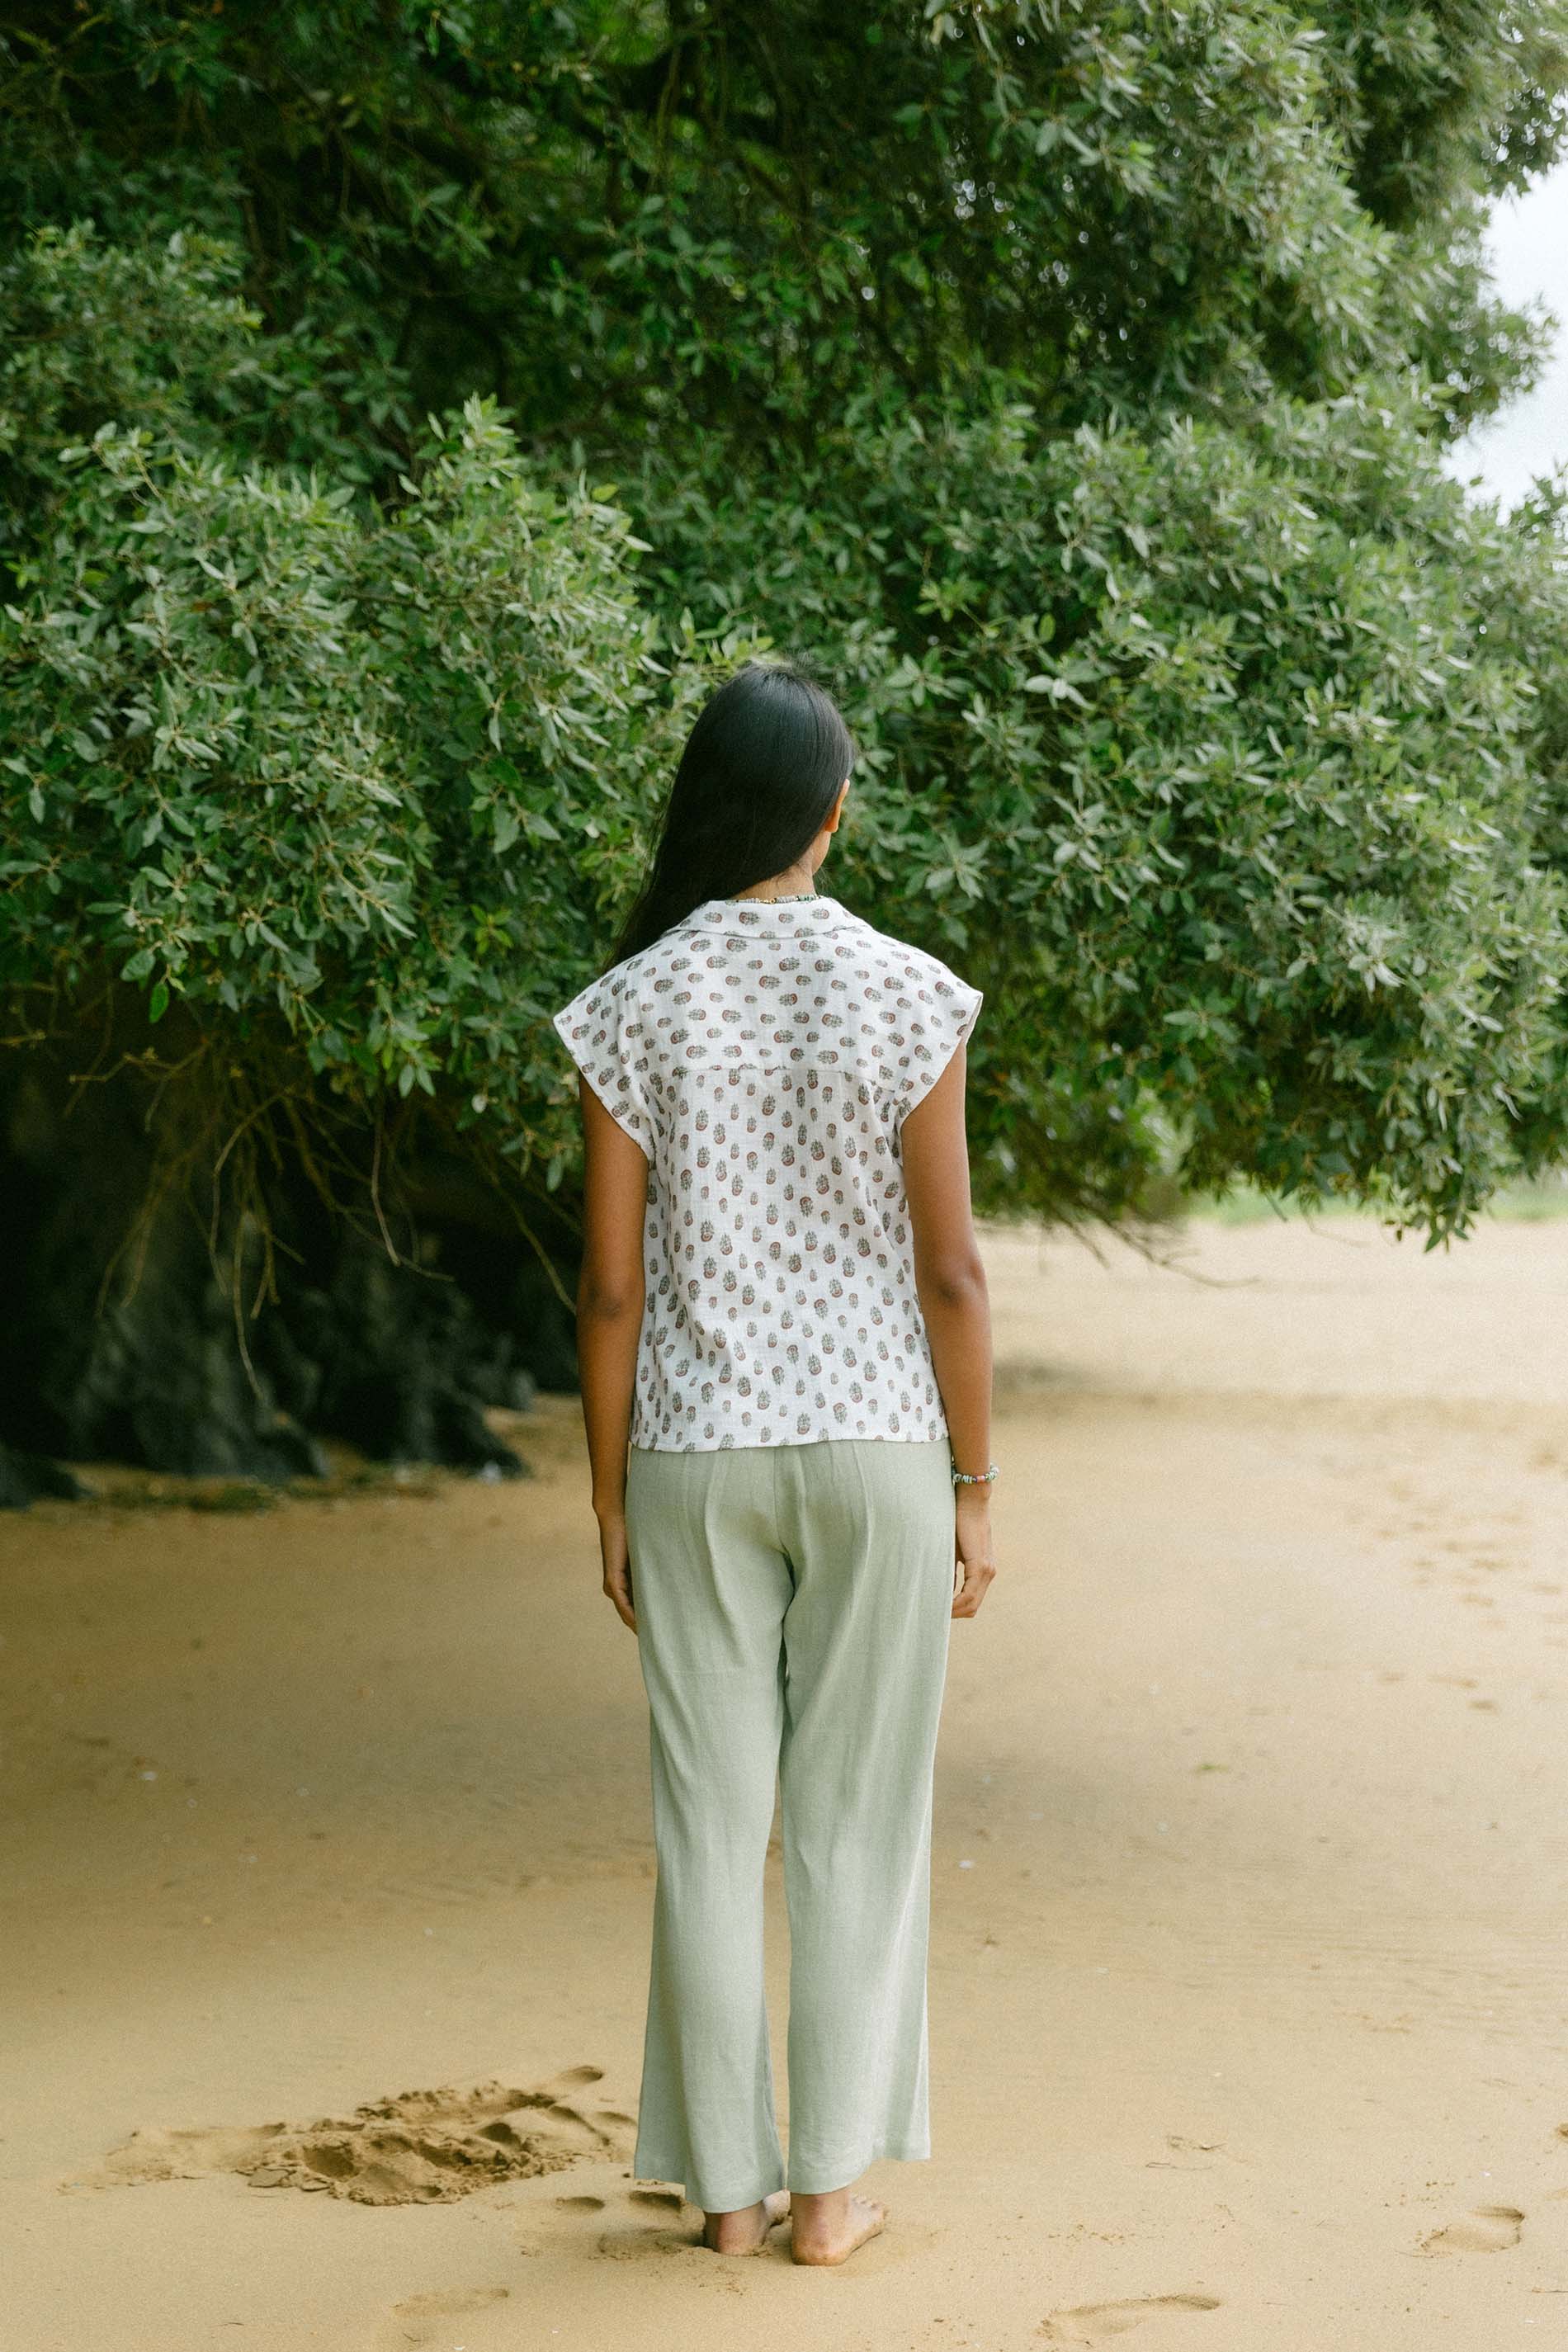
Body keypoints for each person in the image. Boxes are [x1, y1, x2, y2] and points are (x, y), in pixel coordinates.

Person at [551, 657, 996, 2267]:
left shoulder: (627, 1004)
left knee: (706, 1824)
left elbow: (609, 1285)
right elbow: (950, 1275)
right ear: (826, 811)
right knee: (854, 1824)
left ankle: (726, 2202)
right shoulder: (907, 992)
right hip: (875, 1446)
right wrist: (973, 1486)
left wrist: (605, 1496)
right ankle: (830, 2201)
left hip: (688, 1452)